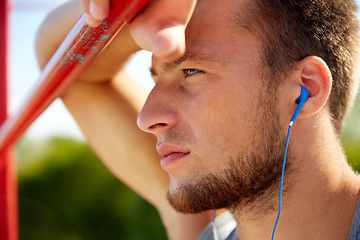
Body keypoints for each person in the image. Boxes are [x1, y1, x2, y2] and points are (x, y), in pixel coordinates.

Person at [35, 0, 360, 239]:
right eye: (155, 79)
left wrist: (127, 11)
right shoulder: (207, 225)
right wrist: (137, 18)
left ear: (306, 88)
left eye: (191, 71)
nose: (147, 118)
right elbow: (64, 68)